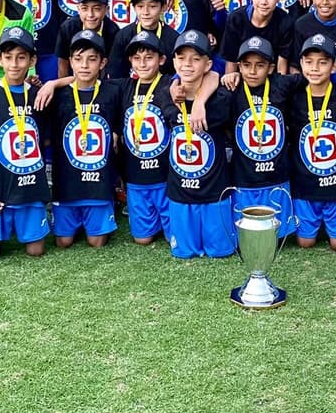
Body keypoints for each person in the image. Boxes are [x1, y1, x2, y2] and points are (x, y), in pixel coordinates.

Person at [0, 26, 52, 259]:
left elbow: (43, 141)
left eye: (21, 57)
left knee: (36, 251)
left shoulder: (39, 95)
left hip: (30, 189)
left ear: (32, 60)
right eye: (8, 57)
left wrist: (51, 84)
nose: (14, 64)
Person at [158, 30, 234, 259]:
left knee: (220, 252)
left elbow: (215, 78)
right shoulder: (165, 96)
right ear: (173, 61)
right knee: (183, 252)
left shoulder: (221, 99)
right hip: (181, 192)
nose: (187, 64)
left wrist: (200, 101)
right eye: (181, 58)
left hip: (215, 192)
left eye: (196, 58)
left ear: (208, 63)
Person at [47, 30, 122, 248]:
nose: (84, 65)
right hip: (67, 184)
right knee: (63, 242)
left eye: (92, 59)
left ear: (103, 62)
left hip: (99, 185)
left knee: (96, 242)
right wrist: (53, 83)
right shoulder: (58, 95)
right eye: (78, 59)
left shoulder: (113, 91)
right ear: (70, 62)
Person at [288, 35, 336, 250]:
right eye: (309, 62)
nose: (315, 68)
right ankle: (313, 221)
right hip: (305, 185)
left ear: (334, 66)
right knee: (305, 242)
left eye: (323, 62)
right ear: (300, 64)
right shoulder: (293, 96)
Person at [221, 37, 298, 235]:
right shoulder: (232, 89)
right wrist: (224, 77)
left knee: (279, 234)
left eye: (260, 65)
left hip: (277, 177)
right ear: (239, 67)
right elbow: (205, 79)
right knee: (246, 233)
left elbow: (311, 76)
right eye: (246, 65)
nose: (252, 71)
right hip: (244, 179)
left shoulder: (280, 84)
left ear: (271, 68)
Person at [117, 30, 174, 245]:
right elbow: (86, 81)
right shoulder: (124, 87)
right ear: (130, 60)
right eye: (137, 58)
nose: (142, 64)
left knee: (173, 238)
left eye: (149, 58)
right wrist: (52, 83)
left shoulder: (170, 84)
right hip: (136, 180)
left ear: (161, 60)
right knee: (142, 240)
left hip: (166, 179)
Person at [219, 0, 295, 75]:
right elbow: (231, 62)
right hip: (243, 77)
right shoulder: (236, 19)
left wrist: (279, 90)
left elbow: (281, 66)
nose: (263, 2)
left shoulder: (285, 22)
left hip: (270, 79)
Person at [108, 0, 177, 80]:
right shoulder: (123, 36)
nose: (145, 12)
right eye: (140, 6)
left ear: (163, 8)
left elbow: (174, 75)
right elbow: (116, 75)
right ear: (134, 8)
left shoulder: (173, 38)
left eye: (152, 6)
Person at [54, 0, 120, 77]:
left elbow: (111, 68)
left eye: (97, 9)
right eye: (85, 8)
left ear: (106, 10)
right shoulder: (68, 28)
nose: (90, 15)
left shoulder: (113, 32)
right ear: (78, 9)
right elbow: (63, 63)